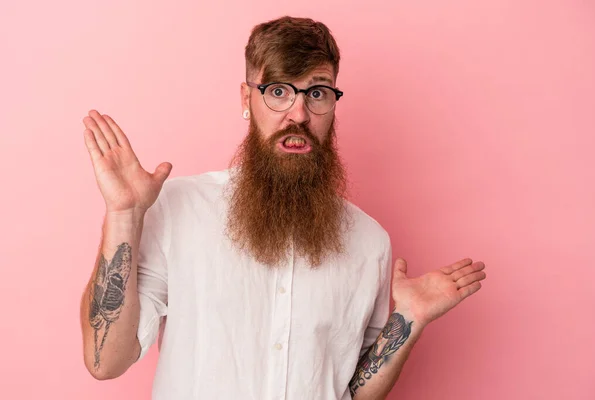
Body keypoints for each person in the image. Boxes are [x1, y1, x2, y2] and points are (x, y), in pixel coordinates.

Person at [79, 15, 486, 400]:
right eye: (278, 92)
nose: (299, 114)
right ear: (246, 98)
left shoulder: (369, 242)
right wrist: (124, 215)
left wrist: (408, 321)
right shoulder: (177, 210)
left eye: (318, 93)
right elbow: (107, 361)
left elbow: (354, 390)